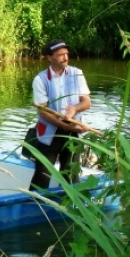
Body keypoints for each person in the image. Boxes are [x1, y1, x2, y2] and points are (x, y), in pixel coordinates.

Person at [29, 39, 91, 190]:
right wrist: (64, 125)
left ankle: (72, 206)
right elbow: (42, 111)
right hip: (50, 134)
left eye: (66, 54)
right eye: (60, 55)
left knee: (71, 173)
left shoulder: (77, 73)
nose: (65, 58)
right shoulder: (40, 79)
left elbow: (87, 102)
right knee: (42, 174)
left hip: (74, 130)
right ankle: (35, 204)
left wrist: (74, 109)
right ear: (49, 58)